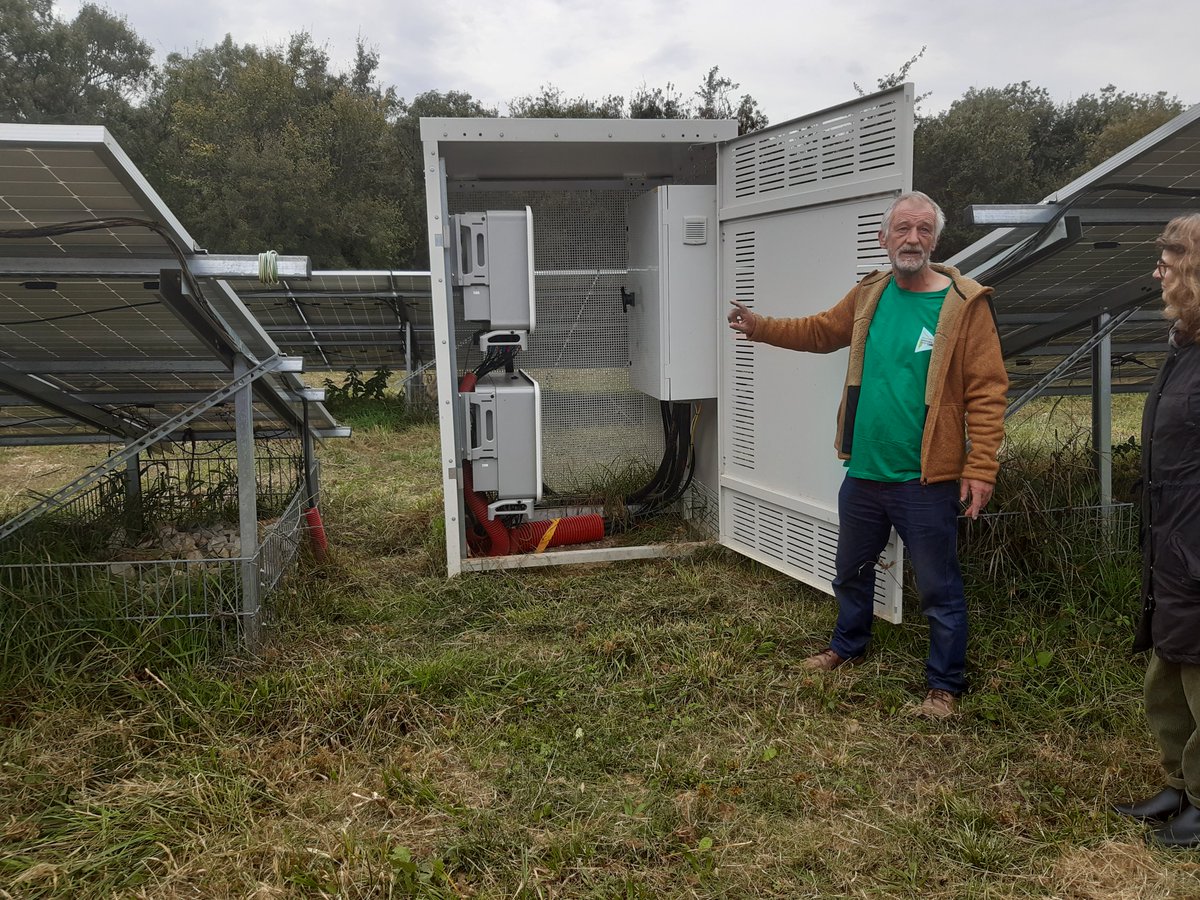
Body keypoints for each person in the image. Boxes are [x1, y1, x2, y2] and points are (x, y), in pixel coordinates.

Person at [727, 191, 1007, 718]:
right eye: (903, 228)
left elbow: (988, 390)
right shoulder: (869, 294)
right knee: (851, 571)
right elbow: (819, 330)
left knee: (939, 587)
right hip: (864, 472)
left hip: (926, 479)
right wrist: (761, 327)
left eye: (923, 230)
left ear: (935, 239)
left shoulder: (964, 303)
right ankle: (847, 646)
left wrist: (981, 466)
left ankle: (944, 686)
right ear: (884, 238)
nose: (912, 239)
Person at [1113, 213, 1200, 847]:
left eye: (1167, 265)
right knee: (1168, 668)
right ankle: (1180, 784)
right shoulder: (1185, 347)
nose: (1157, 273)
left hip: (1195, 540)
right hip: (1173, 538)